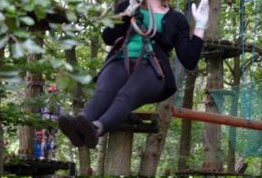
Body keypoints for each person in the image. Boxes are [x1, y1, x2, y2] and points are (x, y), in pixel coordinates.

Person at [58, 0, 207, 148]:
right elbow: (108, 37)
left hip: (152, 67)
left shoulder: (176, 19)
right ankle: (80, 123)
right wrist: (128, 12)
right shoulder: (127, 6)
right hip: (121, 59)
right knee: (103, 92)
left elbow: (189, 60)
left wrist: (200, 26)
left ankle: (96, 129)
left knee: (127, 95)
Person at [34, 85, 61, 161]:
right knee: (52, 139)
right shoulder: (57, 104)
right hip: (52, 121)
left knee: (46, 139)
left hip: (46, 121)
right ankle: (52, 156)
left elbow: (40, 113)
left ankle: (45, 156)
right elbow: (61, 115)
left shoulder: (45, 103)